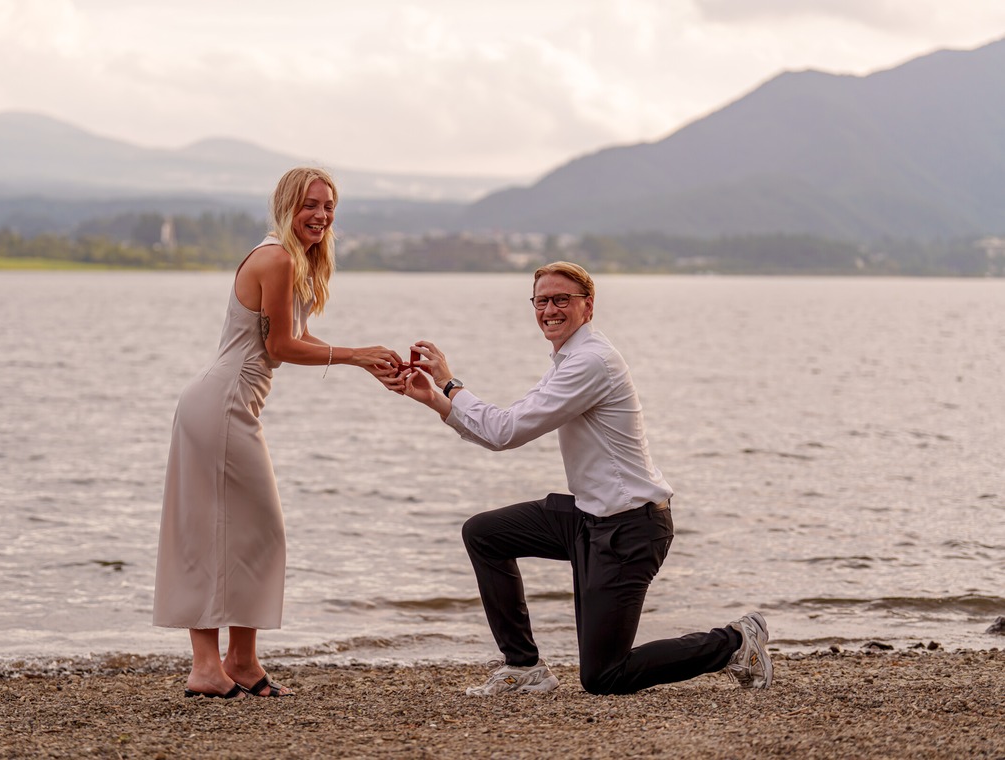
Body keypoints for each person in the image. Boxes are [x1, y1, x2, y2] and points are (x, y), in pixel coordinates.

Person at [393, 261, 772, 696]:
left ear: (587, 307)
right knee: (485, 533)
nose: (549, 309)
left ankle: (736, 642)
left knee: (604, 676)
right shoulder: (568, 359)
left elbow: (506, 431)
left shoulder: (592, 362)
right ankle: (525, 667)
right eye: (541, 301)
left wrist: (449, 382)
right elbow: (499, 430)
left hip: (630, 529)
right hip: (588, 519)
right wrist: (435, 401)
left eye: (561, 299)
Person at [153, 167, 400, 699]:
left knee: (255, 533)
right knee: (218, 531)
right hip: (221, 404)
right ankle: (205, 666)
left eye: (329, 206)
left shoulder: (296, 261)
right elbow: (281, 347)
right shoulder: (276, 257)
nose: (321, 215)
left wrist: (368, 362)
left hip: (234, 405)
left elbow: (297, 335)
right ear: (287, 205)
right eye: (311, 204)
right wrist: (357, 355)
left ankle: (240, 660)